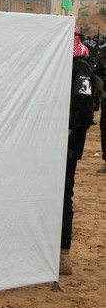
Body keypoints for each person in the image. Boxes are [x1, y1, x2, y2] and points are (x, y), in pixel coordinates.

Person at [62, 29, 95, 275]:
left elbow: (84, 113)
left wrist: (65, 131)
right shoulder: (59, 65)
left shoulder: (80, 67)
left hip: (68, 146)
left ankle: (62, 255)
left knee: (63, 195)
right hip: (51, 145)